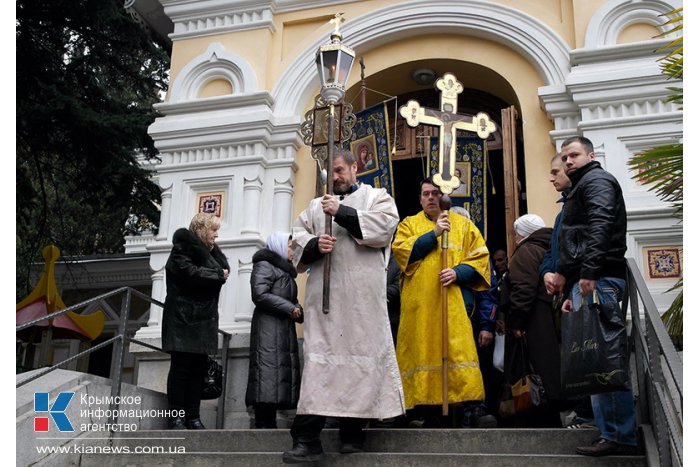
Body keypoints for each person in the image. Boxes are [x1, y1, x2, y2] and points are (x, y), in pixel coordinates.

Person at [282, 150, 404, 463]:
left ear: (354, 167)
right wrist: (314, 245)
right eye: (330, 172)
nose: (335, 177)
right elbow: (296, 241)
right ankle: (307, 438)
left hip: (362, 302)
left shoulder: (378, 197)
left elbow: (384, 229)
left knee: (358, 364)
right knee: (320, 364)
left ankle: (352, 434)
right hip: (326, 304)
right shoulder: (314, 207)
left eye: (339, 170)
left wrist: (342, 212)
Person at [554, 136, 637, 456]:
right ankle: (611, 431)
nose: (568, 161)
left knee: (604, 355)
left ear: (591, 155)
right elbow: (577, 235)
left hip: (598, 278)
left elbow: (601, 225)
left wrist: (588, 272)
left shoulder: (596, 180)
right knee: (594, 357)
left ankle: (619, 435)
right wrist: (570, 279)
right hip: (588, 280)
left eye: (574, 155)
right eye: (564, 157)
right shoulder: (580, 186)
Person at [392, 179, 491, 427]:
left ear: (445, 197)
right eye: (425, 194)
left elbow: (480, 259)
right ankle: (426, 411)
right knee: (422, 354)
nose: (431, 198)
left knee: (459, 351)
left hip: (452, 304)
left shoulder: (463, 225)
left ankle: (472, 409)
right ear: (420, 198)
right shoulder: (409, 224)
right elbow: (402, 253)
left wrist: (458, 272)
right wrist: (434, 234)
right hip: (421, 308)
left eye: (435, 193)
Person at [538, 153, 595, 429]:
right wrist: (548, 272)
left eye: (555, 171)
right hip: (568, 288)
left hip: (582, 285)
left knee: (588, 350)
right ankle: (584, 411)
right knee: (576, 351)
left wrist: (565, 274)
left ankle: (589, 414)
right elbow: (553, 251)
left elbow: (586, 245)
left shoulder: (582, 203)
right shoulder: (563, 212)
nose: (551, 177)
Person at [161, 212, 230, 430]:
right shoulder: (182, 249)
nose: (216, 235)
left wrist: (218, 273)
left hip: (203, 320)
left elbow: (212, 272)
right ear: (201, 229)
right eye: (213, 229)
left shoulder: (210, 254)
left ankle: (193, 417)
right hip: (182, 320)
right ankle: (177, 418)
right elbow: (189, 273)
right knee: (181, 370)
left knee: (197, 371)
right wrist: (218, 275)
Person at [500, 214, 562, 427]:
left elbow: (524, 289)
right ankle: (550, 414)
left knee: (534, 371)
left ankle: (537, 418)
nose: (515, 238)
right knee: (548, 369)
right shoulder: (547, 248)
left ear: (524, 234)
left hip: (532, 320)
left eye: (516, 234)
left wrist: (516, 322)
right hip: (544, 317)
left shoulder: (526, 251)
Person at [246, 232, 303, 429]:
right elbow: (260, 294)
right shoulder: (265, 265)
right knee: (267, 376)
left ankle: (268, 424)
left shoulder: (284, 271)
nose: (292, 251)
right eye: (289, 246)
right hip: (268, 330)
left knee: (275, 376)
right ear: (278, 246)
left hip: (282, 330)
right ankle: (263, 424)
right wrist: (290, 309)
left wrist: (298, 310)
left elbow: (291, 299)